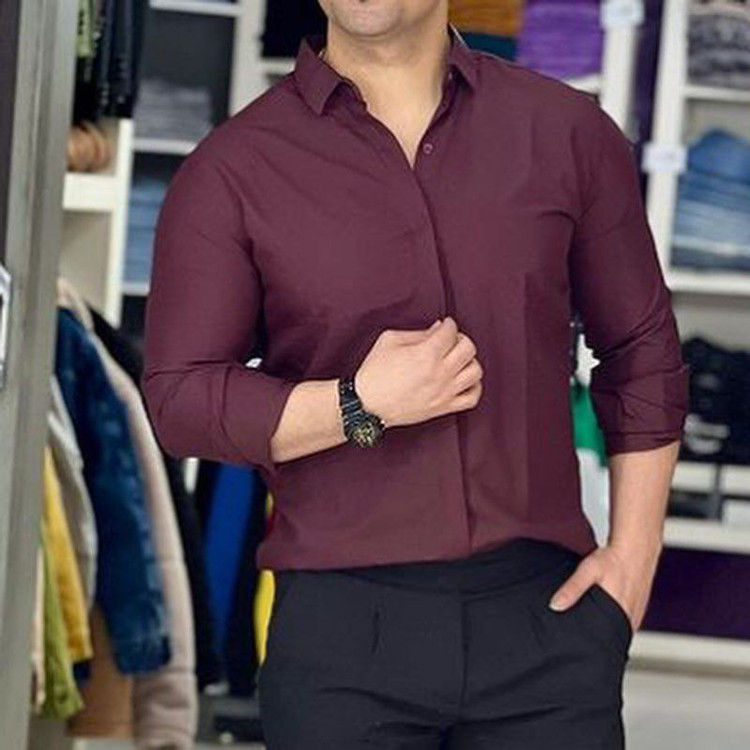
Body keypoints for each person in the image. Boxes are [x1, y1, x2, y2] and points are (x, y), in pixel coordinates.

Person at [141, 1, 690, 747]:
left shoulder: (567, 132)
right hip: (342, 643)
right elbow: (181, 397)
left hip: (547, 625)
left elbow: (642, 347)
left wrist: (633, 560)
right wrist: (357, 404)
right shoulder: (232, 167)